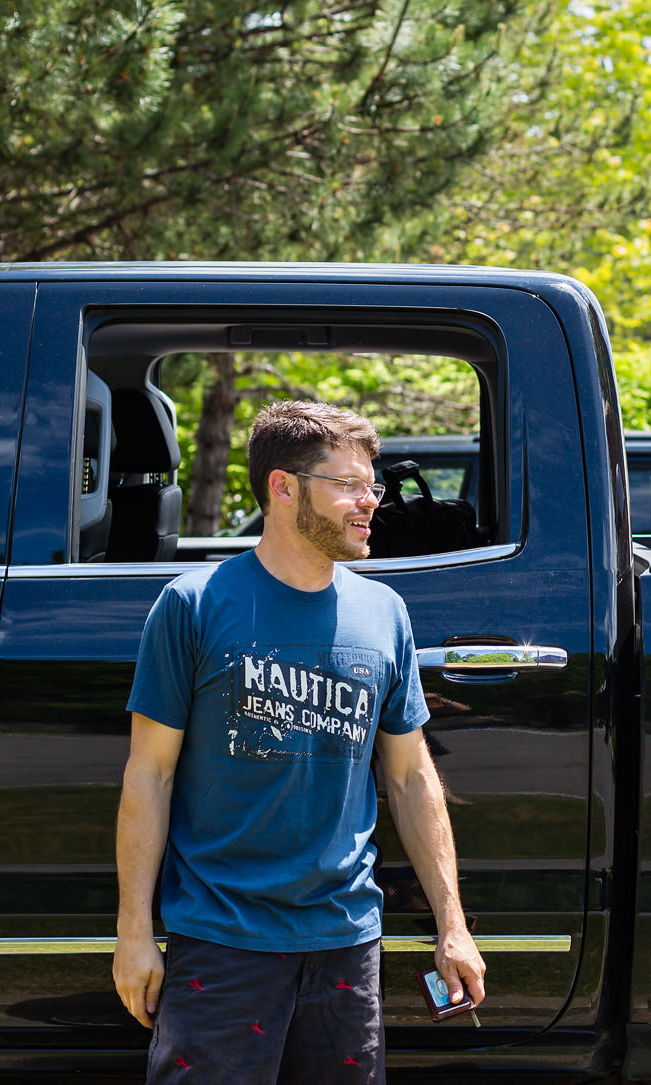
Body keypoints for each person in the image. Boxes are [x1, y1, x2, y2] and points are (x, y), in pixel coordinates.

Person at [112, 400, 485, 1085]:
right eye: (348, 483)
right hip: (223, 940)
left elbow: (410, 778)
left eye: (370, 484)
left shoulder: (385, 613)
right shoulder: (194, 604)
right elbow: (150, 774)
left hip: (345, 941)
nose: (369, 500)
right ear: (283, 486)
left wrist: (452, 924)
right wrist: (134, 931)